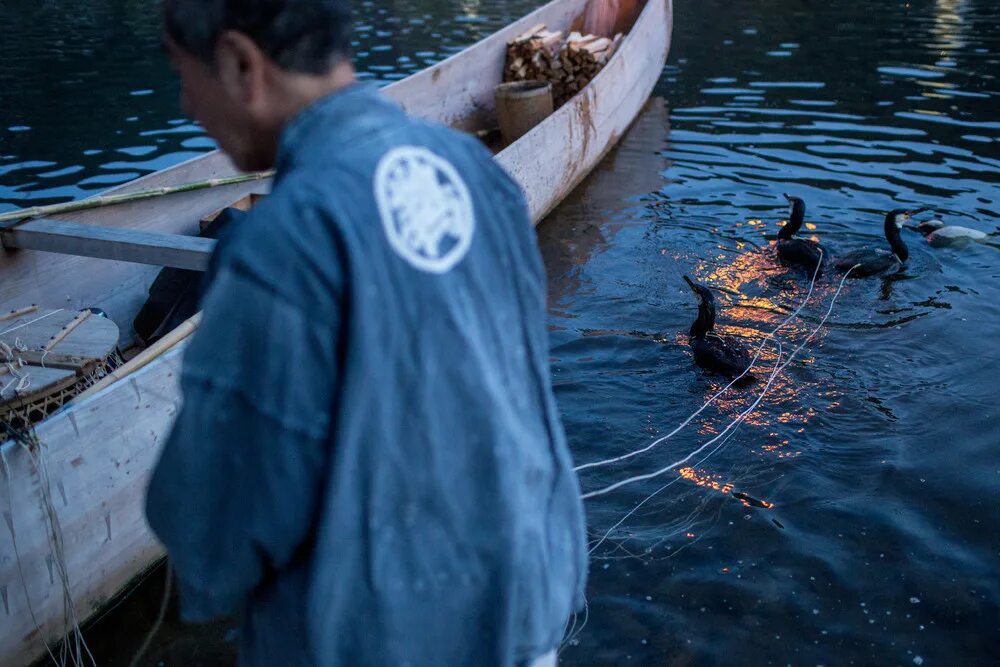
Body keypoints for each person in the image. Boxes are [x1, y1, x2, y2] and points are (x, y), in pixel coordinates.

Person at [145, 1, 588, 666]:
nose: (186, 106)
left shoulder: (280, 244)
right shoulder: (480, 178)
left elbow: (212, 530)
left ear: (240, 63)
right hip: (526, 619)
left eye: (184, 76)